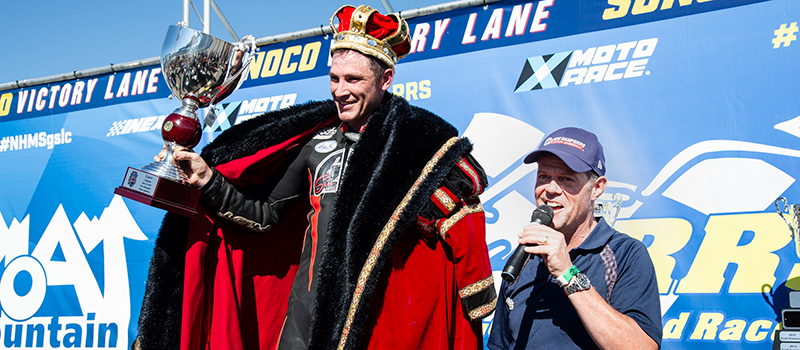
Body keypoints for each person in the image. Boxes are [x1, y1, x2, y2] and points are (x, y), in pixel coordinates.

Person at [134, 4, 496, 350]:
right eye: (334, 78)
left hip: (381, 319)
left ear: (386, 78)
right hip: (306, 313)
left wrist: (474, 292)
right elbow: (263, 215)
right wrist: (208, 180)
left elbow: (457, 230)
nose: (340, 90)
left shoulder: (418, 145)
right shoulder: (316, 143)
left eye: (353, 79)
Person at [487, 127, 661, 350]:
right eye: (544, 176)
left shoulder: (625, 254)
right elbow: (500, 345)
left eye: (566, 179)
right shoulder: (523, 257)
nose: (550, 189)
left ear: (597, 189)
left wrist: (567, 273)